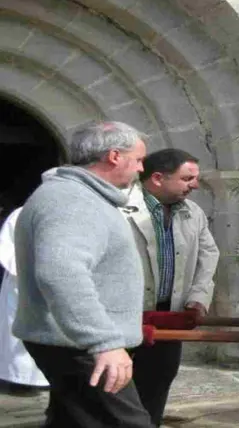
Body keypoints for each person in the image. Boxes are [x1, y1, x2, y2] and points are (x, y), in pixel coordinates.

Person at [13, 121, 153, 427]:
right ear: (115, 156)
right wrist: (103, 342)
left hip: (73, 342)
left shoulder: (77, 195)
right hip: (79, 345)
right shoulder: (72, 200)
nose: (141, 169)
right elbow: (61, 272)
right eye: (139, 159)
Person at [121, 148, 220, 427]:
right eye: (187, 178)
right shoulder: (120, 208)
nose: (196, 185)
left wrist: (199, 297)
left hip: (169, 317)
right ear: (157, 178)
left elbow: (208, 254)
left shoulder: (193, 212)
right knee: (116, 387)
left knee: (157, 382)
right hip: (127, 315)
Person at [0, 207, 49, 395]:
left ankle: (43, 379)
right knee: (17, 335)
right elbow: (6, 245)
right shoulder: (23, 213)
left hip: (54, 282)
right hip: (21, 281)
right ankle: (18, 379)